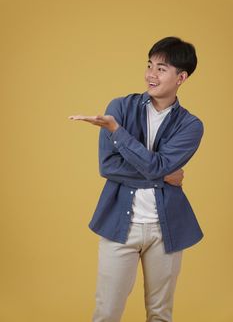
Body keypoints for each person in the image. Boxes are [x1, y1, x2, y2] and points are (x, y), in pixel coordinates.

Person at [69, 36, 204, 322]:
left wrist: (119, 133)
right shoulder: (119, 108)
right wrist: (163, 173)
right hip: (120, 225)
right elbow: (108, 167)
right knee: (107, 312)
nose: (150, 74)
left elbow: (157, 165)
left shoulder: (191, 125)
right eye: (149, 65)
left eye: (161, 68)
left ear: (181, 77)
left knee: (160, 314)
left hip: (166, 230)